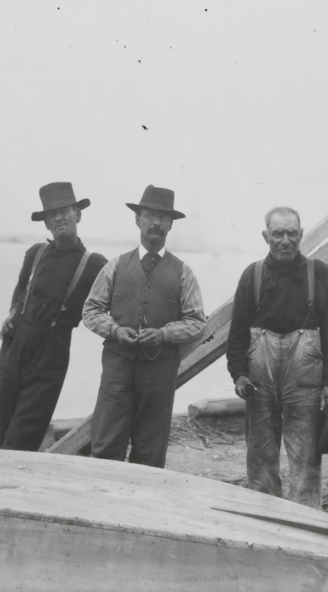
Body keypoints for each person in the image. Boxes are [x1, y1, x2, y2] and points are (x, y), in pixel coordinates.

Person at [226, 206, 328, 507]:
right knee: (261, 459)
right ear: (266, 236)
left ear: (301, 235)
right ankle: (264, 522)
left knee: (306, 459)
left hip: (305, 381)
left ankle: (306, 528)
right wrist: (239, 375)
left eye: (292, 233)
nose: (285, 240)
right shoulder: (251, 275)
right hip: (259, 380)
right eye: (278, 233)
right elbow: (238, 332)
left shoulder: (318, 273)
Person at [83, 185, 206, 468]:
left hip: (159, 374)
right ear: (137, 220)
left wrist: (163, 334)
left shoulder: (183, 272)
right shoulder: (115, 266)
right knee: (105, 445)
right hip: (117, 368)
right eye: (150, 215)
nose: (156, 222)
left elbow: (197, 321)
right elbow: (90, 310)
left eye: (163, 217)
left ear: (171, 224)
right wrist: (114, 330)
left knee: (150, 452)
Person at [0, 182, 107, 451]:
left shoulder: (95, 265)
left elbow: (111, 307)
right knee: (4, 430)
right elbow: (21, 288)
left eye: (64, 211)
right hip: (14, 347)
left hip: (51, 354)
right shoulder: (35, 253)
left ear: (77, 215)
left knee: (21, 439)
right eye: (51, 214)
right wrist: (13, 312)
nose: (58, 217)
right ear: (46, 224)